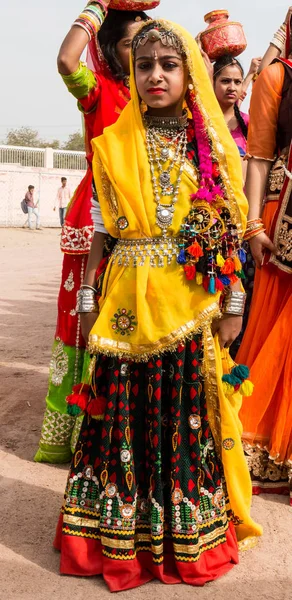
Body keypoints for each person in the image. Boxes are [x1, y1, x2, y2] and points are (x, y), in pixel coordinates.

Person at [54, 19, 262, 591]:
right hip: (124, 301)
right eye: (144, 65)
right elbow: (101, 230)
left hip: (190, 306)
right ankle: (115, 541)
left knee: (185, 419)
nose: (155, 76)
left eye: (168, 65)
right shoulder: (112, 143)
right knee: (121, 419)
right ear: (130, 72)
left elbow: (228, 229)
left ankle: (184, 541)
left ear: (186, 72)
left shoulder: (214, 146)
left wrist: (235, 301)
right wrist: (89, 296)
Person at [34, 3, 150, 464]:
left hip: (143, 220)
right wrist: (96, 9)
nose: (141, 51)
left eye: (146, 42)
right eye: (130, 44)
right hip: (97, 215)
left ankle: (119, 426)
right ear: (109, 49)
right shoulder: (98, 91)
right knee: (84, 317)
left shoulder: (157, 96)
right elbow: (66, 62)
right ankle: (76, 425)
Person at [236, 14, 292, 505]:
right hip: (284, 213)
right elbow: (258, 154)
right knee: (278, 331)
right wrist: (253, 223)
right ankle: (269, 453)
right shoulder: (278, 75)